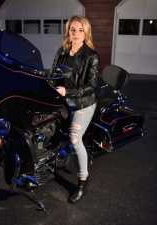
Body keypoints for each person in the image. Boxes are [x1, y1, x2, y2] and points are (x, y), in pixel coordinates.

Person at [50, 15, 100, 203]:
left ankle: (82, 181)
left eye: (80, 30)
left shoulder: (91, 56)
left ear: (86, 33)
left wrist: (67, 91)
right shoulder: (62, 51)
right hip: (64, 99)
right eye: (73, 30)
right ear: (68, 31)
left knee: (74, 138)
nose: (76, 34)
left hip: (83, 103)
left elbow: (91, 86)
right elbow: (53, 74)